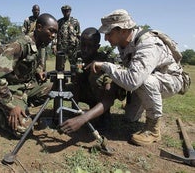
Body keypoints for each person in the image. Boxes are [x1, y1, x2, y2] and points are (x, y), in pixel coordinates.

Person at [60, 9, 184, 146]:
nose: (106, 38)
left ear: (123, 31)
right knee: (130, 118)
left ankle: (153, 129)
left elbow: (133, 81)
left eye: (109, 33)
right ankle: (142, 105)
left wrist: (106, 66)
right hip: (143, 78)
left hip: (170, 79)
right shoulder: (122, 44)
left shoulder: (147, 44)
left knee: (145, 81)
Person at [0, 13, 58, 138]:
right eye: (51, 31)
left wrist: (38, 71)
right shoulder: (20, 45)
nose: (53, 36)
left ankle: (22, 107)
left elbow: (28, 63)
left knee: (56, 87)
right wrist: (11, 106)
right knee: (24, 130)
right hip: (12, 90)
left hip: (26, 88)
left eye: (55, 32)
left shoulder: (40, 45)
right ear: (39, 27)